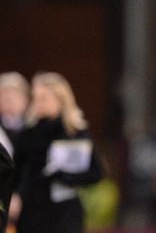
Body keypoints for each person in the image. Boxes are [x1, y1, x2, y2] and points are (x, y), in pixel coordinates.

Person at [12, 72, 102, 233]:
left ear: (61, 99)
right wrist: (15, 196)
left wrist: (66, 177)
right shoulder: (28, 133)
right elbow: (17, 171)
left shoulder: (75, 132)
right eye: (36, 98)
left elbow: (96, 173)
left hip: (65, 212)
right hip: (33, 211)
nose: (38, 104)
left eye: (44, 98)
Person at [0, 72, 30, 158]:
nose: (9, 100)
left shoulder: (35, 125)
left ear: (25, 98)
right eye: (3, 96)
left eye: (14, 95)